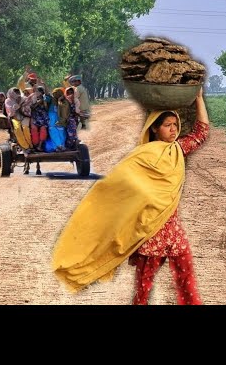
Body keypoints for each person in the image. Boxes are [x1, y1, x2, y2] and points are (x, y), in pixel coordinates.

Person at [52, 88, 210, 305]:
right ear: (154, 128)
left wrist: (199, 98)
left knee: (186, 278)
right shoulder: (141, 156)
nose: (173, 130)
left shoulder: (178, 149)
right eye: (167, 125)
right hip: (149, 231)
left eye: (175, 125)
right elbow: (120, 186)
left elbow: (201, 132)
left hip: (173, 230)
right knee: (144, 288)